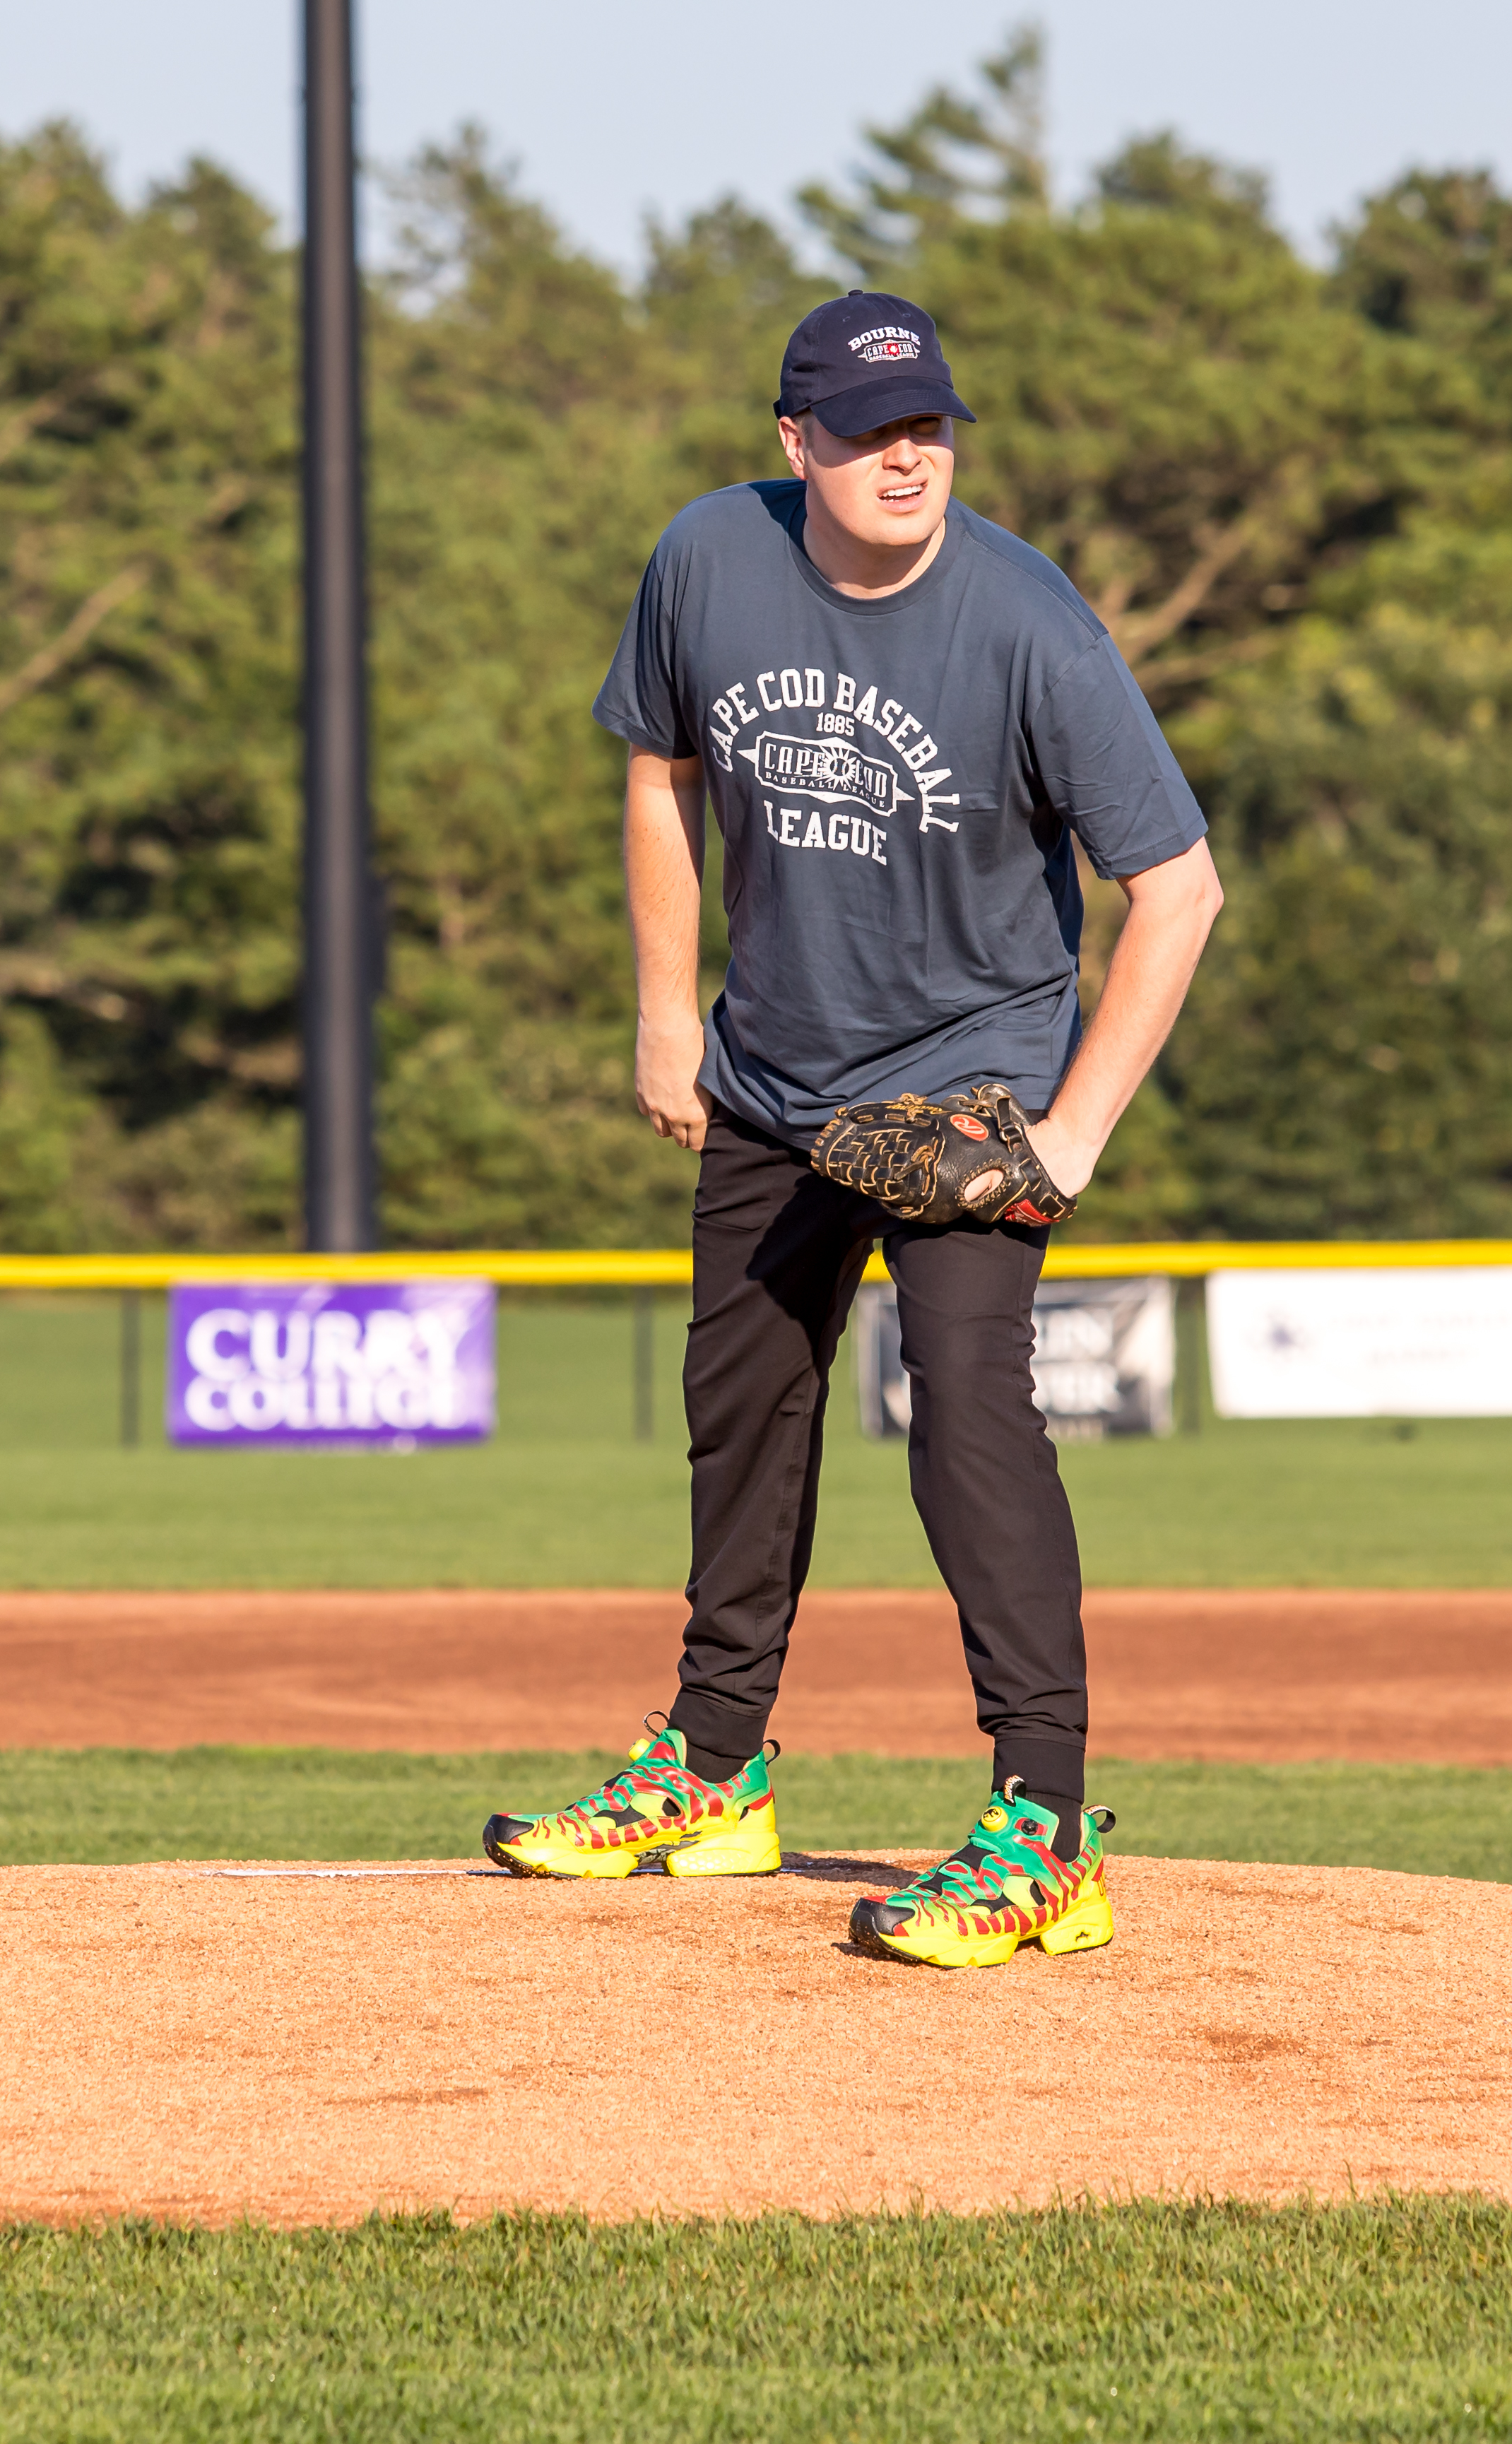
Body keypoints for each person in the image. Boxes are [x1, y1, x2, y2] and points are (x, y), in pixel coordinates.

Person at [481, 293, 1229, 1969]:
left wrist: (1073, 1133)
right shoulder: (706, 562)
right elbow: (660, 769)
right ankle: (712, 1769)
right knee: (738, 1409)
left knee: (969, 1415)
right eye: (870, 429)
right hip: (769, 1072)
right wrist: (668, 1011)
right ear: (792, 442)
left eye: (930, 429)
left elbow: (1178, 890)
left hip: (958, 1095)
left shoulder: (1030, 626)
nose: (908, 456)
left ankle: (1042, 1824)